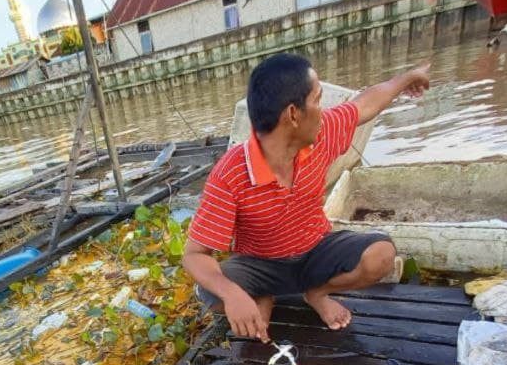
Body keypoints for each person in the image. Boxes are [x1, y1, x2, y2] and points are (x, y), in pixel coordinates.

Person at [182, 53, 431, 342]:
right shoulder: (230, 174)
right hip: (260, 265)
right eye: (317, 100)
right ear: (293, 115)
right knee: (210, 291)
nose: (322, 110)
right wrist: (234, 294)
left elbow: (364, 104)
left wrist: (407, 79)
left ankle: (317, 293)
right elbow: (195, 255)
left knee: (381, 255)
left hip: (315, 250)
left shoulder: (321, 133)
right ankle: (264, 296)